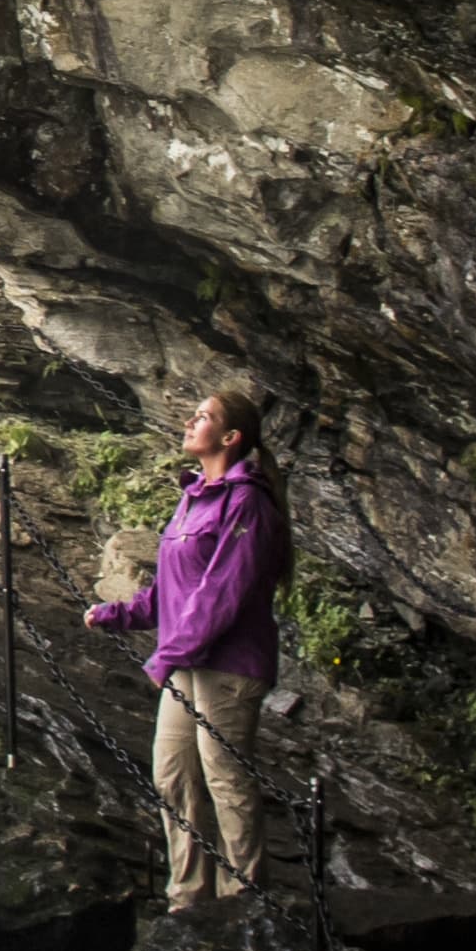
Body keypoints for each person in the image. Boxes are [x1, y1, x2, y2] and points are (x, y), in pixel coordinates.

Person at [85, 387, 292, 911]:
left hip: (228, 665)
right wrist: (117, 614)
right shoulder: (194, 496)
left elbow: (222, 592)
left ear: (230, 437)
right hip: (189, 661)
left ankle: (242, 897)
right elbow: (172, 589)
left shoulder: (247, 502)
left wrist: (167, 655)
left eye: (202, 416)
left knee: (225, 777)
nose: (188, 421)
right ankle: (190, 892)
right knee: (172, 775)